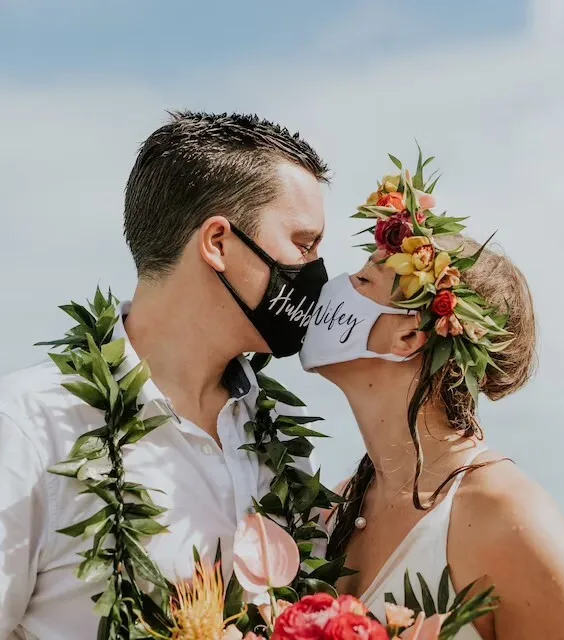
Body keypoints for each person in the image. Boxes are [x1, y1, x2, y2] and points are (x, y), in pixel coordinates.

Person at [0, 111, 329, 639]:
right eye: (304, 243)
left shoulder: (284, 436)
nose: (318, 272)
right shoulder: (28, 427)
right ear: (218, 242)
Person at [299, 163, 564, 638]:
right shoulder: (331, 513)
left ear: (408, 335)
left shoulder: (503, 515)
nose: (335, 288)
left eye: (364, 281)